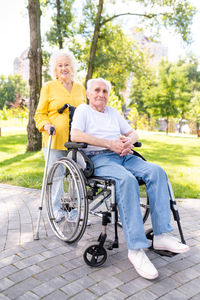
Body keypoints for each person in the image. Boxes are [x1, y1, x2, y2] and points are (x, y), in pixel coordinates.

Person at [71, 77, 189, 280]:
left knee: (157, 171)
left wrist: (130, 141)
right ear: (89, 94)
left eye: (105, 91)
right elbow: (75, 135)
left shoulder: (113, 112)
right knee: (126, 181)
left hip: (124, 155)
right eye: (97, 90)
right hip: (99, 159)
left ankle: (161, 235)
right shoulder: (83, 110)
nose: (101, 94)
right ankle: (135, 249)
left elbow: (133, 132)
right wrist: (110, 144)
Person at [34, 48, 86, 222]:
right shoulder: (48, 87)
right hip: (54, 141)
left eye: (67, 65)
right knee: (56, 178)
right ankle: (57, 210)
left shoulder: (80, 88)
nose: (64, 68)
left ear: (72, 67)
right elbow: (39, 114)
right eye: (60, 65)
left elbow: (86, 113)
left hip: (77, 143)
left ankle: (75, 210)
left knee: (79, 176)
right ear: (55, 70)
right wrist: (45, 124)